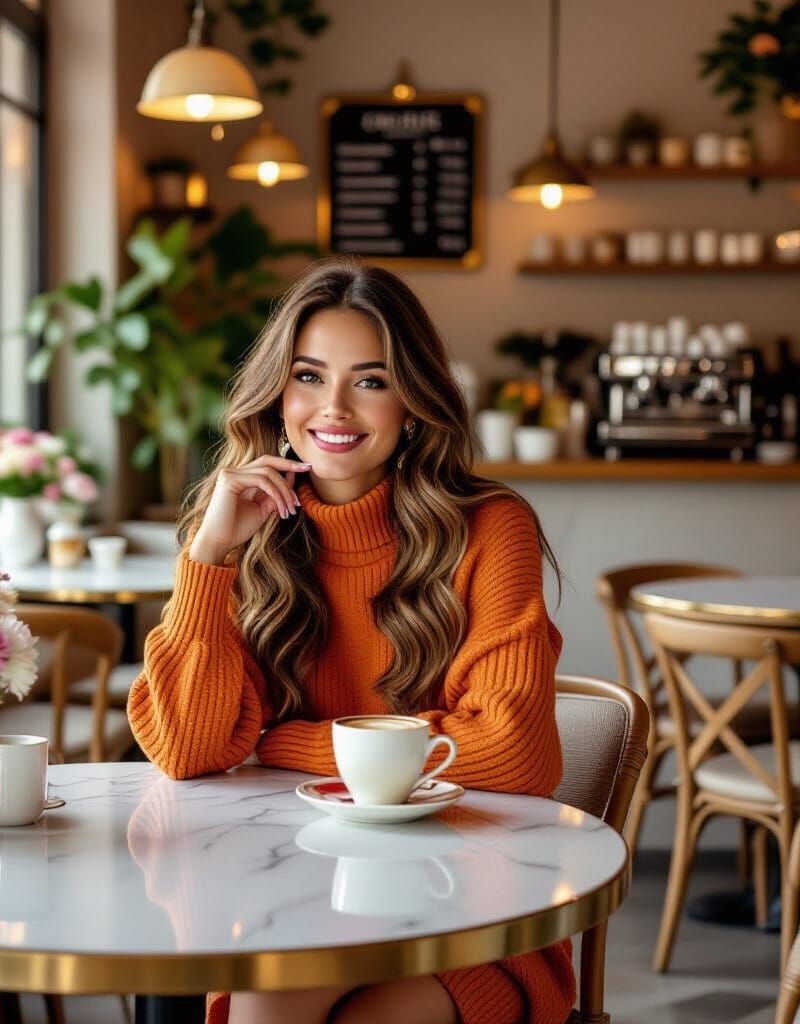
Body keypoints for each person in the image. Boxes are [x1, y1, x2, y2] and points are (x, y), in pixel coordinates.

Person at [127, 256, 573, 1024]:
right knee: (267, 997)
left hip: (466, 905)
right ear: (277, 389)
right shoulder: (242, 529)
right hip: (289, 886)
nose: (332, 408)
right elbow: (186, 748)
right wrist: (208, 559)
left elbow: (514, 754)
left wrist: (278, 741)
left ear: (413, 401)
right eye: (308, 375)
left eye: (369, 380)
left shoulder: (490, 528)